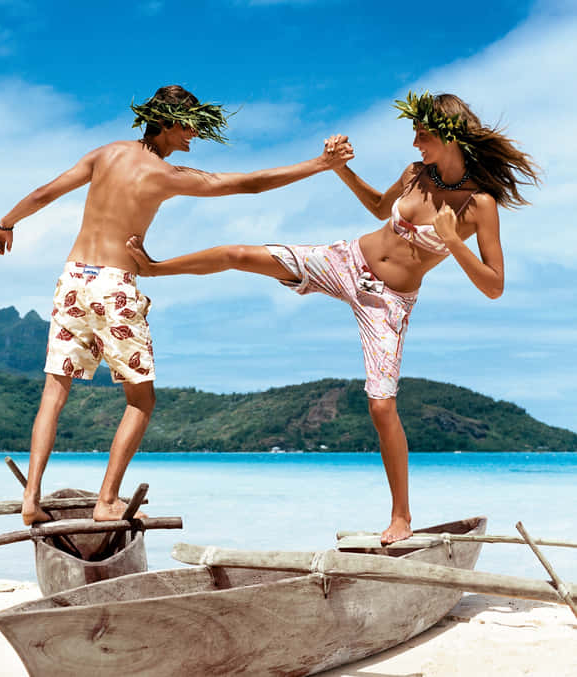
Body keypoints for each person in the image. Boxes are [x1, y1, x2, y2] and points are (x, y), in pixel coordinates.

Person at [127, 91, 540, 543]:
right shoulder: (415, 174)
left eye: (422, 135)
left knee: (382, 406)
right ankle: (154, 267)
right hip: (346, 261)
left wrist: (453, 241)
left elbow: (494, 286)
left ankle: (401, 517)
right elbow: (379, 209)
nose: (416, 144)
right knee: (239, 253)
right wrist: (340, 168)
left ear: (447, 134)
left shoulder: (478, 204)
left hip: (388, 303)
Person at [0, 85, 353, 525]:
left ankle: (31, 499)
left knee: (54, 392)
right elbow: (247, 185)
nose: (194, 135)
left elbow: (47, 192)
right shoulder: (165, 175)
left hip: (72, 279)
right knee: (141, 400)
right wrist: (321, 164)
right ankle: (107, 501)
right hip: (114, 285)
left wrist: (5, 223)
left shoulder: (105, 154)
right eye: (189, 125)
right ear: (164, 122)